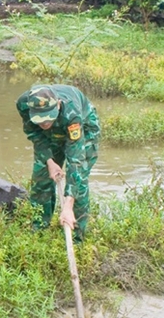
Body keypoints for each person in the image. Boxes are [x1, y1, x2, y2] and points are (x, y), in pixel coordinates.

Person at [15, 84, 100, 242]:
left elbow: (76, 161)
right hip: (49, 136)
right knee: (41, 177)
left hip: (85, 130)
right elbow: (35, 134)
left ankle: (76, 236)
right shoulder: (23, 104)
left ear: (58, 105)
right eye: (40, 119)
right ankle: (39, 229)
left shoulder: (72, 114)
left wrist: (67, 205)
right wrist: (49, 161)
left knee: (78, 184)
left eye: (48, 117)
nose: (45, 123)